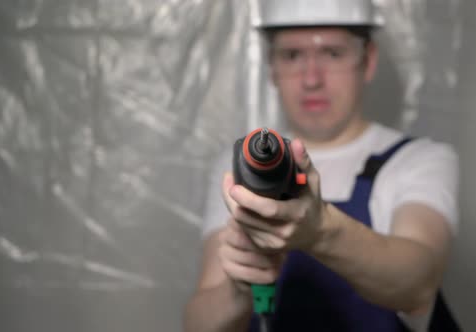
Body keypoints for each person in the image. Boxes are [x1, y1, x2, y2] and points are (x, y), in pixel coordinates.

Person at [185, 0, 460, 331]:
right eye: (292, 55)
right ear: (271, 67)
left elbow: (417, 283)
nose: (311, 79)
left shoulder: (418, 160)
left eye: (332, 54)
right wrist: (240, 288)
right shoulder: (242, 169)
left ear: (368, 61)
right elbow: (198, 324)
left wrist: (319, 230)